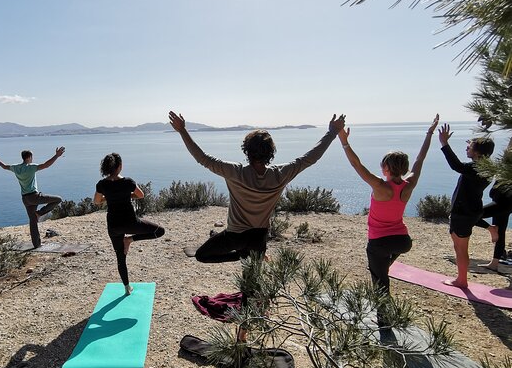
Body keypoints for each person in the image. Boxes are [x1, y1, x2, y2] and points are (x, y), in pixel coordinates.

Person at [168, 110, 345, 263]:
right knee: (251, 286)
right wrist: (332, 133)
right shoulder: (280, 175)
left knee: (202, 255)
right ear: (271, 152)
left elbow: (203, 158)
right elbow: (310, 158)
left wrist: (182, 131)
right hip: (259, 239)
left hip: (235, 237)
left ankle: (239, 256)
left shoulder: (235, 172)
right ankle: (248, 259)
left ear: (246, 150)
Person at [338, 114, 439, 324]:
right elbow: (420, 159)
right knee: (381, 269)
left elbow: (358, 166)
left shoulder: (381, 187)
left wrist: (344, 141)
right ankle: (381, 271)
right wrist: (429, 133)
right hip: (403, 242)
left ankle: (384, 323)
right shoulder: (408, 184)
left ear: (386, 168)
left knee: (381, 281)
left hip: (379, 244)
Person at [94, 153, 165, 295]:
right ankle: (130, 239)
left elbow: (97, 201)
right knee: (159, 231)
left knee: (121, 258)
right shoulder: (128, 182)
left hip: (113, 227)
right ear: (120, 166)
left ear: (106, 168)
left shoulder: (102, 184)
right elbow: (141, 195)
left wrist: (109, 198)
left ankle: (127, 288)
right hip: (131, 223)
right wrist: (127, 195)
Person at [439, 124, 495, 288]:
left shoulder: (475, 168)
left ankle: (461, 280)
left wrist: (444, 144)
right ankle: (461, 278)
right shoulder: (486, 168)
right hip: (472, 209)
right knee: (460, 247)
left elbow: (456, 165)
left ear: (477, 153)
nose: (466, 148)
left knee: (460, 248)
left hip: (463, 213)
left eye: (469, 147)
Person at [0, 147, 65, 248]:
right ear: (29, 157)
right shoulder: (31, 167)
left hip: (25, 199)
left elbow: (4, 166)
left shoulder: (16, 167)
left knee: (33, 221)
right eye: (32, 157)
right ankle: (39, 213)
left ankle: (36, 244)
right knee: (58, 199)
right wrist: (56, 155)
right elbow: (45, 165)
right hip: (34, 196)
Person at [475, 139, 512, 272]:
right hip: (504, 203)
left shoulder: (508, 165)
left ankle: (490, 228)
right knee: (500, 231)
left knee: (472, 215)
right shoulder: (506, 165)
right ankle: (494, 263)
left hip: (503, 202)